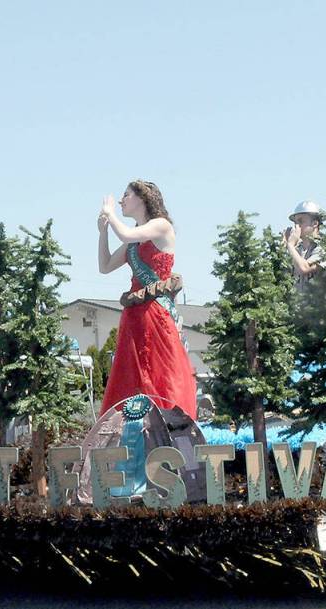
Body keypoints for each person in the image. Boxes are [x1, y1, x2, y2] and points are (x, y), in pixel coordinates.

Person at [95, 179, 198, 495]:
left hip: (156, 317)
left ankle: (176, 464)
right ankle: (130, 471)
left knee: (160, 381)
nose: (123, 199)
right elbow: (104, 266)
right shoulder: (133, 243)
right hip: (134, 320)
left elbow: (125, 232)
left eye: (126, 195)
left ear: (142, 197)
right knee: (131, 386)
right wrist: (102, 231)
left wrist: (110, 216)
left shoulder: (161, 226)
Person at [283, 200, 325, 292]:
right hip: (298, 305)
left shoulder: (325, 248)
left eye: (300, 221)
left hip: (320, 304)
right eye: (295, 223)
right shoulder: (297, 249)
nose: (296, 226)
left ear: (314, 223)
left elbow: (304, 269)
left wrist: (290, 245)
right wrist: (284, 248)